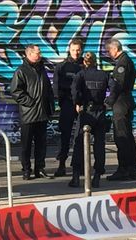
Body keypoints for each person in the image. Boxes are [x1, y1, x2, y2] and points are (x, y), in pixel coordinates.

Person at [9, 44, 54, 180]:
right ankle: (26, 169)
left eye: (39, 53)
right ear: (29, 54)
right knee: (26, 145)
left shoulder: (42, 69)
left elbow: (48, 89)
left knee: (41, 144)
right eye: (37, 53)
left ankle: (40, 168)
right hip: (28, 114)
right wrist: (30, 102)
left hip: (42, 113)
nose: (40, 55)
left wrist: (50, 105)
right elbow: (15, 91)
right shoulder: (21, 71)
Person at [69, 51, 109, 188]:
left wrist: (77, 103)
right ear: (96, 61)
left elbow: (74, 90)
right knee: (99, 145)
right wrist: (108, 102)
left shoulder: (81, 74)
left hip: (86, 111)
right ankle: (97, 176)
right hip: (100, 111)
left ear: (85, 62)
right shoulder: (104, 75)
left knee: (79, 143)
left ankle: (75, 176)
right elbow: (114, 89)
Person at [104, 38, 136, 181]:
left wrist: (108, 102)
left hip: (121, 104)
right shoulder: (126, 60)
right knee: (127, 137)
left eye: (108, 50)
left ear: (114, 49)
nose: (108, 53)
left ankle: (124, 169)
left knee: (122, 137)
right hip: (125, 102)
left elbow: (118, 85)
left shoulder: (122, 63)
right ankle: (131, 169)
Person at [52, 38, 84, 177]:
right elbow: (56, 87)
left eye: (78, 50)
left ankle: (80, 165)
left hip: (82, 105)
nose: (76, 53)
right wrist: (62, 101)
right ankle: (61, 165)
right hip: (67, 104)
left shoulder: (85, 66)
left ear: (81, 50)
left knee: (82, 135)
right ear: (69, 50)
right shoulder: (61, 67)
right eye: (73, 50)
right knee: (64, 135)